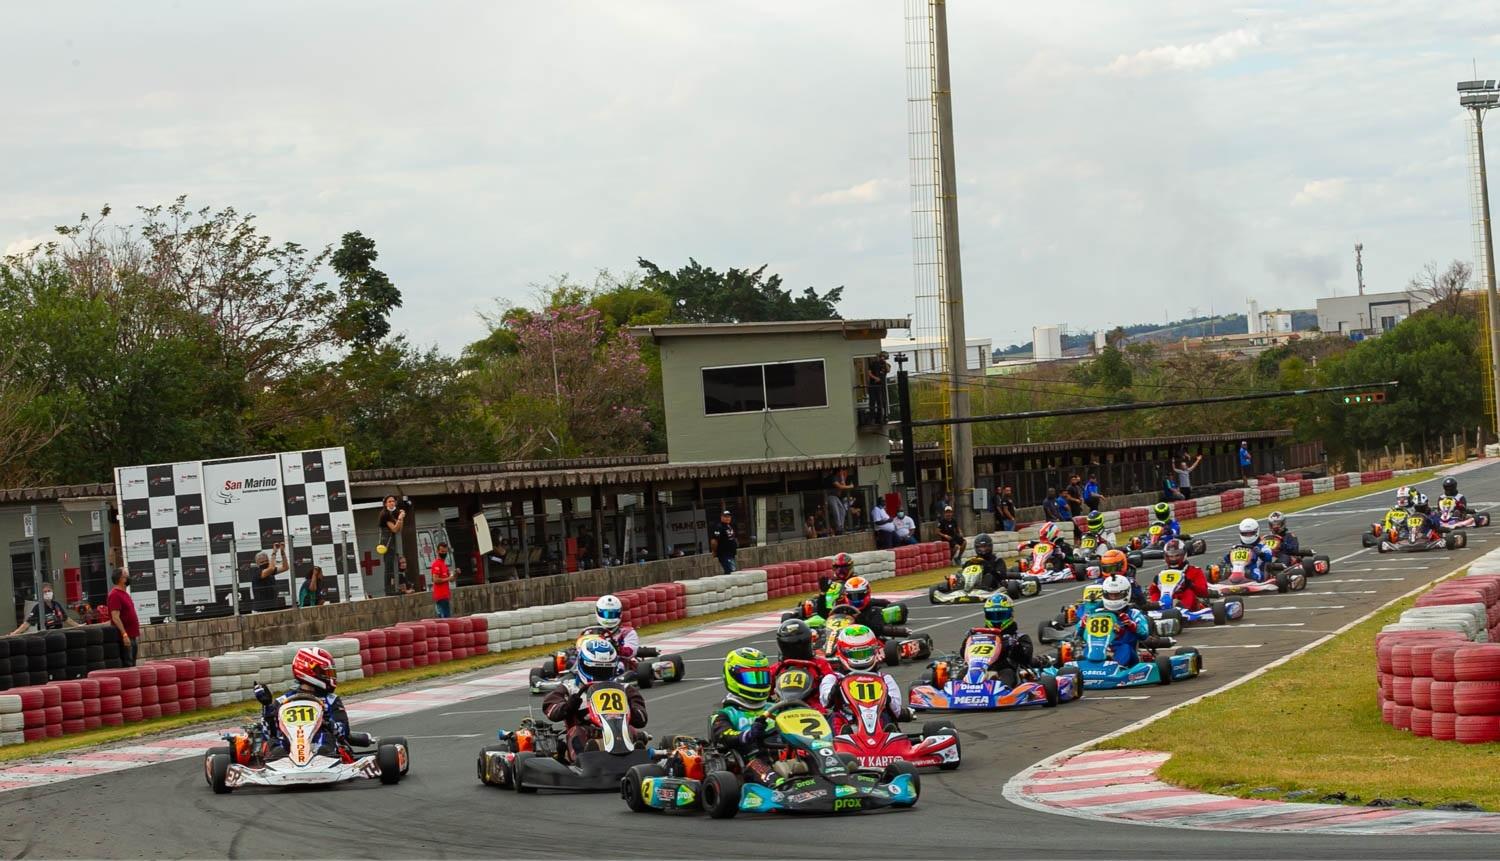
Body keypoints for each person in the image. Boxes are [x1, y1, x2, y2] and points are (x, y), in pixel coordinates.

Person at [541, 637, 647, 762]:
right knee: (577, 731)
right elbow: (551, 710)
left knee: (631, 730)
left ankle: (636, 755)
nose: (600, 674)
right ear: (582, 664)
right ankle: (584, 759)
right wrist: (569, 706)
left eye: (605, 670)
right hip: (585, 735)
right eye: (595, 669)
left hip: (618, 731)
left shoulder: (625, 689)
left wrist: (630, 708)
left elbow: (642, 720)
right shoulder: (570, 688)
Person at [253, 646, 372, 754]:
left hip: (320, 745)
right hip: (290, 748)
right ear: (311, 672)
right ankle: (279, 761)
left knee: (324, 741)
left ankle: (323, 758)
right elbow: (269, 734)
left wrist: (327, 720)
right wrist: (267, 706)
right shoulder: (283, 701)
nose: (330, 676)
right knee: (275, 745)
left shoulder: (331, 700)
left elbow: (343, 733)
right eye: (325, 672)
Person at [709, 648, 779, 786]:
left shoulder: (775, 708)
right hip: (750, 761)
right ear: (733, 677)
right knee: (756, 764)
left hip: (784, 755)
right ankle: (780, 786)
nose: (758, 683)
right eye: (752, 677)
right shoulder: (726, 714)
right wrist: (749, 734)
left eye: (762, 677)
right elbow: (725, 735)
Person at [819, 625, 905, 727]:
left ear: (874, 650)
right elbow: (825, 703)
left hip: (877, 723)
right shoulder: (833, 678)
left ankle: (886, 736)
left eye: (865, 653)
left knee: (884, 717)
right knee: (835, 719)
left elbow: (896, 711)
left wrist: (886, 697)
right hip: (846, 724)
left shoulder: (885, 679)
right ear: (842, 652)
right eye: (855, 654)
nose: (861, 659)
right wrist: (835, 691)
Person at [956, 594, 1038, 680]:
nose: (996, 620)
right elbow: (963, 654)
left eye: (1000, 615)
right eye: (992, 615)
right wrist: (967, 640)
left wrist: (1015, 646)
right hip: (980, 669)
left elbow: (1025, 660)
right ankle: (957, 691)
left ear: (1010, 615)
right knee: (963, 672)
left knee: (1007, 673)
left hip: (1006, 671)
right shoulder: (979, 636)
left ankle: (1004, 692)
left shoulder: (1019, 637)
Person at [1094, 575, 1153, 666]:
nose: (1113, 598)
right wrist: (1082, 625)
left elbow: (1144, 634)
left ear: (1126, 594)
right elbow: (1080, 635)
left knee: (1125, 648)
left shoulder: (1134, 614)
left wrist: (1132, 625)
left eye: (1117, 595)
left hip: (1126, 653)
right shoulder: (1096, 614)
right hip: (1099, 649)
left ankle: (1115, 666)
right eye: (1110, 595)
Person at [837, 577, 913, 640]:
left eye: (859, 595)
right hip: (846, 639)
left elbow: (877, 629)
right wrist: (824, 596)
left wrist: (860, 618)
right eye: (852, 596)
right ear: (846, 596)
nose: (856, 599)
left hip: (868, 641)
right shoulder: (844, 610)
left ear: (867, 593)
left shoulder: (874, 611)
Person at [1150, 539, 1213, 611]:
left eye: (1177, 555)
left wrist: (1190, 585)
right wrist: (1154, 584)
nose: (1173, 559)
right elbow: (1152, 592)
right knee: (1156, 594)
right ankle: (1156, 610)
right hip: (1168, 600)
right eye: (1171, 556)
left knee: (1188, 592)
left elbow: (1204, 592)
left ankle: (1182, 610)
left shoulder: (1195, 571)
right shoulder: (1163, 574)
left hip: (1191, 604)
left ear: (1184, 555)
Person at [8, 581, 78, 636]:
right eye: (45, 592)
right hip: (45, 636)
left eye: (49, 591)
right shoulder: (38, 607)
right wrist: (14, 633)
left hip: (59, 635)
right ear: (41, 594)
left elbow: (66, 619)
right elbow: (27, 623)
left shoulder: (57, 605)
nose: (47, 593)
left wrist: (78, 626)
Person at [591, 594, 640, 663]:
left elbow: (631, 652)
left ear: (619, 613)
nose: (609, 617)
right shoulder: (590, 633)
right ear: (598, 612)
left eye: (613, 614)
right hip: (593, 663)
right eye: (606, 614)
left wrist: (617, 648)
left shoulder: (627, 632)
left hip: (618, 664)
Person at [106, 570, 139, 667]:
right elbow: (115, 617)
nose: (128, 577)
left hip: (132, 636)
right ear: (121, 579)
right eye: (126, 575)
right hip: (125, 637)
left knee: (133, 664)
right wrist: (124, 635)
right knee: (128, 664)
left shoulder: (125, 594)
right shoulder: (114, 595)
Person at [378, 495, 407, 593]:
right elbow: (394, 529)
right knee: (389, 566)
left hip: (393, 542)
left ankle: (396, 587)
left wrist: (401, 518)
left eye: (393, 501)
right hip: (387, 543)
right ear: (385, 503)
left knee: (396, 565)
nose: (391, 503)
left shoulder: (394, 512)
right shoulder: (384, 514)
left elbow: (400, 528)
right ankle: (389, 589)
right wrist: (399, 518)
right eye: (389, 501)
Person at [252, 543, 289, 610]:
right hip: (261, 609)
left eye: (266, 561)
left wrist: (282, 552)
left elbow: (285, 567)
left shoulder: (269, 570)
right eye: (262, 562)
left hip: (272, 605)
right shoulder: (257, 572)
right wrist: (274, 552)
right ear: (257, 564)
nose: (265, 563)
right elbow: (271, 568)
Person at [826, 468, 854, 534]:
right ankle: (838, 528)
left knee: (842, 510)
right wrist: (850, 486)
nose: (843, 472)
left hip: (836, 497)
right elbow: (840, 487)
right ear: (838, 471)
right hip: (830, 496)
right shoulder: (833, 477)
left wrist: (842, 477)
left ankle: (841, 527)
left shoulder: (838, 477)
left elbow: (843, 486)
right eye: (841, 471)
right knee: (836, 512)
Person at [430, 542, 454, 618]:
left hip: (446, 596)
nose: (444, 553)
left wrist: (456, 573)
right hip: (440, 597)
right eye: (442, 551)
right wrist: (448, 578)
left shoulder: (444, 565)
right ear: (438, 551)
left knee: (447, 618)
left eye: (445, 552)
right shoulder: (436, 564)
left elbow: (451, 579)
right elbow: (435, 579)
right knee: (445, 619)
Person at [710, 510, 738, 575]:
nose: (727, 518)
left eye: (729, 517)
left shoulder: (729, 526)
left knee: (731, 571)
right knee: (731, 571)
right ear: (721, 517)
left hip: (731, 553)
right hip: (724, 554)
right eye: (725, 517)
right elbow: (714, 541)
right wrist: (714, 551)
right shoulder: (719, 527)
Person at [867, 351, 891, 421]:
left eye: (884, 357)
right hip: (873, 386)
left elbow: (888, 370)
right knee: (872, 402)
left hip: (881, 386)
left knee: (881, 401)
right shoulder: (873, 363)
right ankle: (872, 418)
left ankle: (881, 417)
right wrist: (875, 378)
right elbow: (869, 373)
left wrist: (885, 362)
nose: (883, 358)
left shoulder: (887, 364)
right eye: (882, 356)